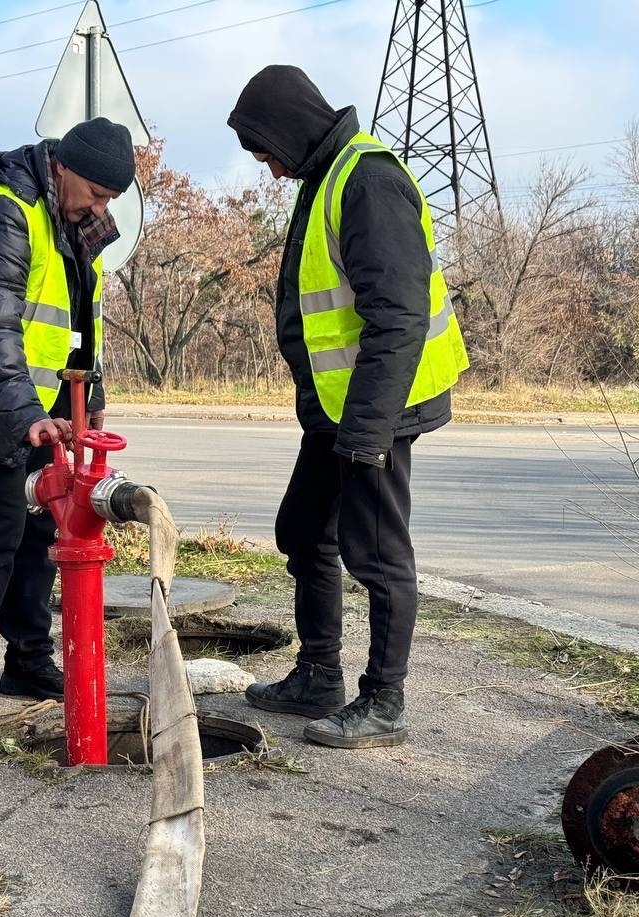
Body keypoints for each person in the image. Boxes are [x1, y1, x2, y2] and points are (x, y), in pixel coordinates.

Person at [228, 66, 469, 748]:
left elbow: (398, 315)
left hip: (382, 406)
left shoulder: (366, 178)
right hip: (341, 405)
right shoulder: (325, 175)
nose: (270, 170)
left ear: (287, 131)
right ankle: (316, 676)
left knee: (376, 551)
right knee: (304, 530)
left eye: (266, 152)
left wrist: (367, 430)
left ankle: (384, 702)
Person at [0, 117, 134, 717]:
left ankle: (28, 659)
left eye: (109, 200)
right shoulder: (0, 209)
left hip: (46, 405)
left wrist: (87, 402)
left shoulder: (72, 221)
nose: (99, 207)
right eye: (94, 194)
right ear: (62, 168)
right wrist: (23, 415)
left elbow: (77, 322)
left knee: (46, 530)